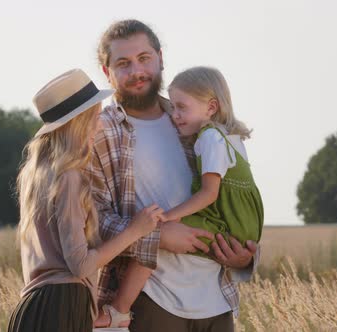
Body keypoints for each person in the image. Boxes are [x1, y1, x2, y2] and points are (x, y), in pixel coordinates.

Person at [90, 20, 259, 332]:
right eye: (123, 64)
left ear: (161, 58)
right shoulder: (98, 133)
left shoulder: (198, 123)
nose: (136, 71)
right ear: (106, 71)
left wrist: (245, 257)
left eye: (144, 59)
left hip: (217, 299)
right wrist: (156, 236)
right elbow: (88, 219)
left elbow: (235, 196)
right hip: (151, 301)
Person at [7, 68, 163, 332]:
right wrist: (135, 230)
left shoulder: (35, 175)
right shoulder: (69, 178)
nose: (99, 124)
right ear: (77, 124)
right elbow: (80, 265)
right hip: (61, 306)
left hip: (32, 309)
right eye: (94, 116)